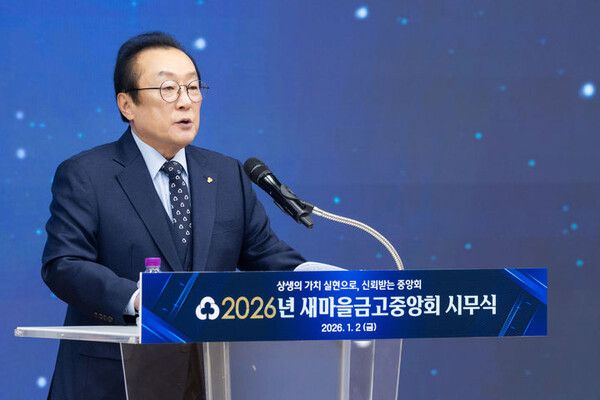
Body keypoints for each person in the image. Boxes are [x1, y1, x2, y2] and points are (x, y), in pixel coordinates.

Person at [41, 32, 305, 400]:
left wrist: (322, 281)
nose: (185, 102)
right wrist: (140, 300)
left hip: (205, 380)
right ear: (127, 105)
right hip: (113, 380)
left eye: (193, 88)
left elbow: (267, 255)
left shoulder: (227, 174)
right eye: (168, 89)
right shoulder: (87, 174)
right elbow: (64, 264)